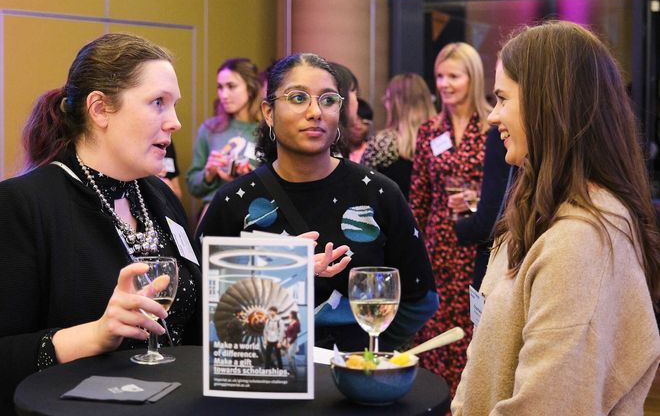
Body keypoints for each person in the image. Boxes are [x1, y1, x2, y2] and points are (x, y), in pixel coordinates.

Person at [452, 21, 660, 415]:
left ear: (548, 103)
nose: (493, 117)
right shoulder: (539, 210)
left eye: (502, 98)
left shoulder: (581, 241)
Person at [0, 33, 202, 413]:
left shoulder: (162, 199)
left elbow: (194, 325)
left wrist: (266, 280)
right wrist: (96, 334)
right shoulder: (22, 205)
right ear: (99, 108)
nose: (175, 122)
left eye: (174, 105)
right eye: (158, 103)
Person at [197, 53, 438, 352]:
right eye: (298, 98)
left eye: (328, 100)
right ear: (269, 112)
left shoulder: (378, 194)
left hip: (355, 375)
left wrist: (371, 345)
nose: (315, 112)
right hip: (268, 374)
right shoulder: (235, 202)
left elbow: (420, 296)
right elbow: (204, 303)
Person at [409, 42, 491, 394]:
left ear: (472, 78)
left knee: (476, 332)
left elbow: (510, 190)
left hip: (478, 246)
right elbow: (419, 196)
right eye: (440, 76)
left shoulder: (492, 129)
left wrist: (477, 199)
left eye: (453, 76)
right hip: (438, 249)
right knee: (436, 332)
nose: (444, 84)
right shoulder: (429, 131)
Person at [186, 58, 263, 220]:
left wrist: (251, 176)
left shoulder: (268, 130)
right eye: (220, 87)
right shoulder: (210, 129)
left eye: (231, 86)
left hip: (255, 213)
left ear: (250, 88)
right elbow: (192, 185)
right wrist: (209, 173)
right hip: (216, 211)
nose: (224, 95)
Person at [450, 125, 513, 290]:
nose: (493, 116)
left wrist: (460, 226)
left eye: (503, 100)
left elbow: (492, 218)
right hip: (444, 247)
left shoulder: (499, 134)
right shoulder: (430, 129)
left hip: (493, 253)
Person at [361, 73, 436, 199]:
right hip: (435, 217)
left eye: (388, 99)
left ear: (395, 104)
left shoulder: (383, 144)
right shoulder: (440, 140)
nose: (384, 103)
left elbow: (361, 186)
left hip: (391, 217)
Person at [346, 98, 373, 163]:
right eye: (355, 121)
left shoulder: (373, 153)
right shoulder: (334, 152)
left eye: (365, 123)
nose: (359, 127)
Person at [284, 310, 301, 376]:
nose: (289, 315)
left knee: (291, 357)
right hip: (288, 340)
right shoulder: (290, 322)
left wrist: (289, 343)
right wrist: (285, 341)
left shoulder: (296, 323)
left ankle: (294, 372)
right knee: (289, 357)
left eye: (290, 314)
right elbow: (287, 332)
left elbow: (295, 335)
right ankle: (292, 371)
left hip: (293, 341)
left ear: (293, 315)